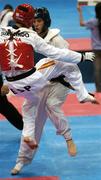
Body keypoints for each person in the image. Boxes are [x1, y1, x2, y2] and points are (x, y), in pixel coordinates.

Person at [10, 7, 98, 175]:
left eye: (39, 21)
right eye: (34, 21)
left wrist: (78, 88)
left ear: (46, 21)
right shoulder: (26, 36)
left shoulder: (57, 40)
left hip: (59, 84)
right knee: (33, 124)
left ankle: (68, 139)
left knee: (52, 106)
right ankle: (22, 160)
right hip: (39, 83)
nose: (36, 24)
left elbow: (69, 66)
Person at [0, 4, 23, 130]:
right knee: (3, 105)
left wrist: (6, 82)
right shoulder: (9, 14)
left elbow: (4, 62)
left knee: (3, 105)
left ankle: (24, 127)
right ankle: (24, 126)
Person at [77, 2, 101, 92]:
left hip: (96, 50)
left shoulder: (93, 22)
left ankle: (99, 90)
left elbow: (81, 23)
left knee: (97, 70)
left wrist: (80, 11)